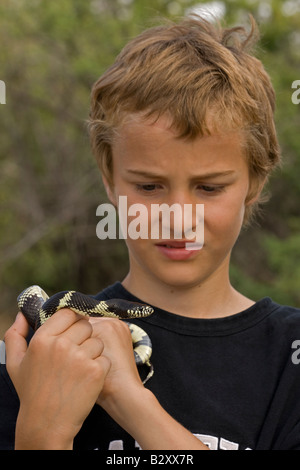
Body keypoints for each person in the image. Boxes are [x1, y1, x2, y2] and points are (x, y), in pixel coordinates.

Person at [1, 13, 300, 451]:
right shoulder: (44, 348)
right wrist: (43, 434)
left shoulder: (288, 357)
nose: (178, 218)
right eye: (148, 186)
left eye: (209, 187)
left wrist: (128, 398)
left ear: (254, 182)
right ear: (109, 177)